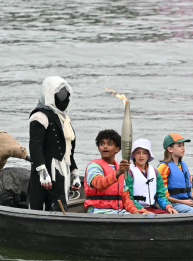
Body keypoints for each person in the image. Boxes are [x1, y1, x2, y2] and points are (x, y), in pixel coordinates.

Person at [28, 76, 81, 212]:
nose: (64, 98)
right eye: (60, 94)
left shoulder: (64, 119)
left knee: (60, 206)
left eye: (65, 94)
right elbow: (35, 146)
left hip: (62, 171)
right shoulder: (39, 116)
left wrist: (74, 173)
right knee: (40, 207)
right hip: (46, 170)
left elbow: (68, 152)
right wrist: (42, 172)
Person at [84, 129, 152, 214]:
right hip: (98, 211)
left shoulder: (119, 170)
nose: (105, 146)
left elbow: (125, 199)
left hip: (117, 211)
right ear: (98, 148)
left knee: (144, 216)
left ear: (117, 149)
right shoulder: (94, 166)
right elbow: (99, 184)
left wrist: (137, 213)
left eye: (109, 144)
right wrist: (118, 172)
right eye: (102, 144)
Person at [124, 139, 178, 214]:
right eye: (138, 152)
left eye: (145, 153)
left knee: (170, 214)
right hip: (136, 209)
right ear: (133, 155)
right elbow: (128, 198)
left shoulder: (155, 173)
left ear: (149, 155)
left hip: (152, 208)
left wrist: (168, 206)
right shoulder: (129, 173)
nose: (141, 156)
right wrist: (143, 211)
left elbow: (160, 195)